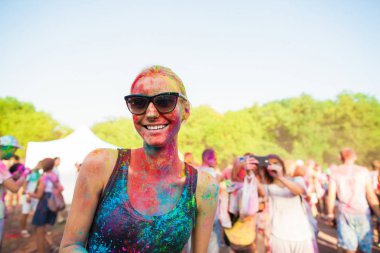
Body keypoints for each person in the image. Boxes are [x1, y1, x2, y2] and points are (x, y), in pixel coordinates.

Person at [60, 65, 219, 252]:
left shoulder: (204, 187)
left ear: (186, 110)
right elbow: (71, 245)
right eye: (138, 103)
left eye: (165, 101)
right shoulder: (102, 165)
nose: (151, 113)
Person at [327, 148, 380, 253]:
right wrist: (379, 214)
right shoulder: (363, 171)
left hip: (344, 213)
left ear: (340, 158)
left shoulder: (335, 172)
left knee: (349, 247)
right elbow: (371, 196)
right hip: (362, 212)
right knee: (365, 247)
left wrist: (330, 214)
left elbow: (331, 196)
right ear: (354, 157)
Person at [261, 154, 314, 253]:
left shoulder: (297, 180)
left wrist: (280, 177)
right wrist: (250, 173)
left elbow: (299, 191)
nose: (273, 166)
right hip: (279, 236)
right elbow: (257, 192)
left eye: (276, 163)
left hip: (301, 235)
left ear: (282, 166)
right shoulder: (268, 186)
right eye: (269, 164)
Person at [28, 158, 63, 253]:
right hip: (52, 204)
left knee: (39, 231)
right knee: (46, 230)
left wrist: (29, 194)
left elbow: (39, 195)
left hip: (44, 204)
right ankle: (51, 246)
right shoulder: (54, 176)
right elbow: (60, 188)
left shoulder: (44, 178)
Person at [0, 135, 27, 249]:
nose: (13, 154)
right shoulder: (1, 166)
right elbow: (15, 188)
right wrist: (24, 175)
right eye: (14, 150)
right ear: (7, 148)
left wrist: (12, 176)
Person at [197, 148, 221, 253]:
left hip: (196, 216)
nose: (217, 161)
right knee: (212, 245)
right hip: (211, 217)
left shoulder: (195, 171)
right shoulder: (213, 173)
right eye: (215, 159)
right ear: (207, 158)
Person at [20, 161, 42, 238]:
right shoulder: (29, 173)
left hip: (34, 196)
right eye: (40, 165)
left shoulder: (39, 174)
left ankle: (37, 229)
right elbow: (24, 184)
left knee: (36, 213)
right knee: (25, 213)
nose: (40, 167)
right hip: (27, 196)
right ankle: (23, 230)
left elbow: (37, 185)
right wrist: (27, 195)